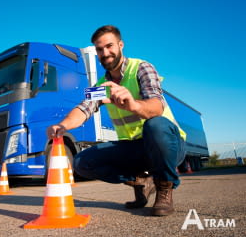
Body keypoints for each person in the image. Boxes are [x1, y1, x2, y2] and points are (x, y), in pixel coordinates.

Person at [46, 25, 186, 216]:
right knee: (82, 162)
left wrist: (134, 105)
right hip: (133, 148)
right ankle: (141, 181)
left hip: (167, 145)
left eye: (109, 46)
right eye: (99, 49)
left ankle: (164, 187)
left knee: (155, 125)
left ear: (121, 45)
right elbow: (83, 109)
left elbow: (156, 106)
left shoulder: (142, 68)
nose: (105, 53)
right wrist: (62, 125)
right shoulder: (101, 86)